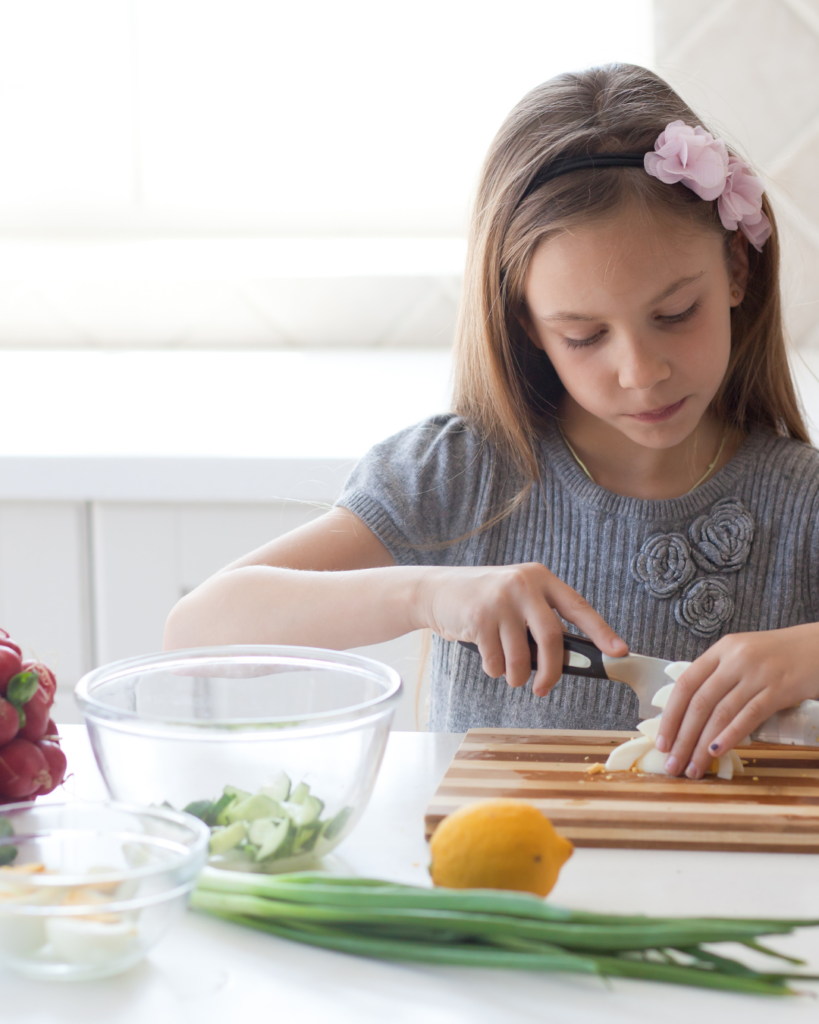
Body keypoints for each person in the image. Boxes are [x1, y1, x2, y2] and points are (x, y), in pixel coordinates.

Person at [164, 63, 819, 782]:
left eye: (673, 315)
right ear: (526, 325)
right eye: (583, 336)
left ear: (734, 268)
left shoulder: (799, 500)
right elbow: (196, 632)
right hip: (494, 884)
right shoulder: (463, 475)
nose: (640, 371)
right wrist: (429, 593)